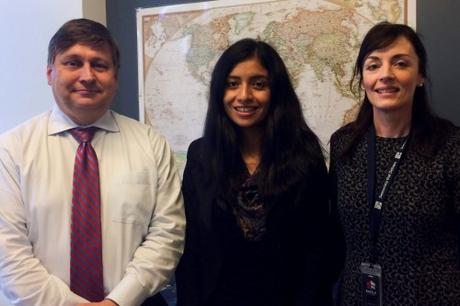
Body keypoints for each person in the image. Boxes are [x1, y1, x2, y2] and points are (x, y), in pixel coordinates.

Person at [0, 18, 185, 306]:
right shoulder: (11, 150)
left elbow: (168, 234)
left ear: (115, 76)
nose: (87, 76)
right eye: (73, 63)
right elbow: (7, 251)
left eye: (100, 65)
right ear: (50, 73)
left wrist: (117, 302)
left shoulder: (151, 144)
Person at [175, 38, 337, 306]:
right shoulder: (201, 155)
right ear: (219, 91)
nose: (244, 95)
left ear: (276, 91)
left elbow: (318, 248)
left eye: (258, 84)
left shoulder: (304, 154)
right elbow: (191, 248)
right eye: (232, 83)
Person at [329, 21, 460, 305]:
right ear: (363, 78)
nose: (385, 75)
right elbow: (335, 236)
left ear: (420, 75)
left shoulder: (450, 145)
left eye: (400, 63)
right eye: (373, 65)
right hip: (357, 297)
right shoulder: (344, 145)